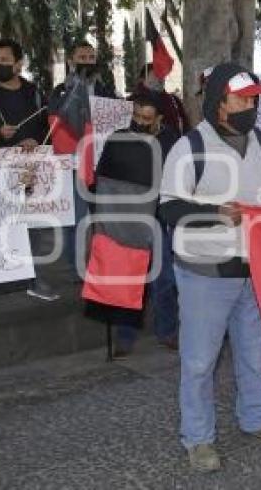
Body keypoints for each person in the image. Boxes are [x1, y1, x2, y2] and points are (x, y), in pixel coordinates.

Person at [159, 63, 261, 472]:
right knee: (199, 361)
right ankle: (198, 439)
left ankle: (257, 418)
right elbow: (168, 207)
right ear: (220, 102)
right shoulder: (190, 148)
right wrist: (216, 214)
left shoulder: (260, 141)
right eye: (243, 98)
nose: (251, 105)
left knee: (255, 354)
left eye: (254, 98)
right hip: (205, 272)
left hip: (255, 270)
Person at [95, 94, 180, 354]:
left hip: (157, 218)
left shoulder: (170, 141)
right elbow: (102, 178)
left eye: (147, 119)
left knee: (164, 279)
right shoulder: (118, 138)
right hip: (126, 219)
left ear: (160, 119)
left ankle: (166, 330)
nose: (140, 122)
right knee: (127, 278)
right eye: (136, 116)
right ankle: (125, 336)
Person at [0, 39, 58, 302]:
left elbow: (46, 127)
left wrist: (36, 141)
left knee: (35, 226)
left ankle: (33, 278)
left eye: (5, 60)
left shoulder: (34, 92)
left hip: (31, 168)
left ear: (18, 64)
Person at [49, 40, 116, 274]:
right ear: (70, 61)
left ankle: (104, 263)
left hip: (102, 164)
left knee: (104, 217)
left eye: (91, 58)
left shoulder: (105, 90)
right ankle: (77, 266)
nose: (87, 62)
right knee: (77, 218)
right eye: (82, 58)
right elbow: (53, 123)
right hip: (75, 165)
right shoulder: (60, 91)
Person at [131, 63, 190, 136]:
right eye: (156, 75)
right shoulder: (132, 101)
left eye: (162, 74)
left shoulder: (174, 100)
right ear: (143, 79)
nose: (160, 78)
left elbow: (185, 125)